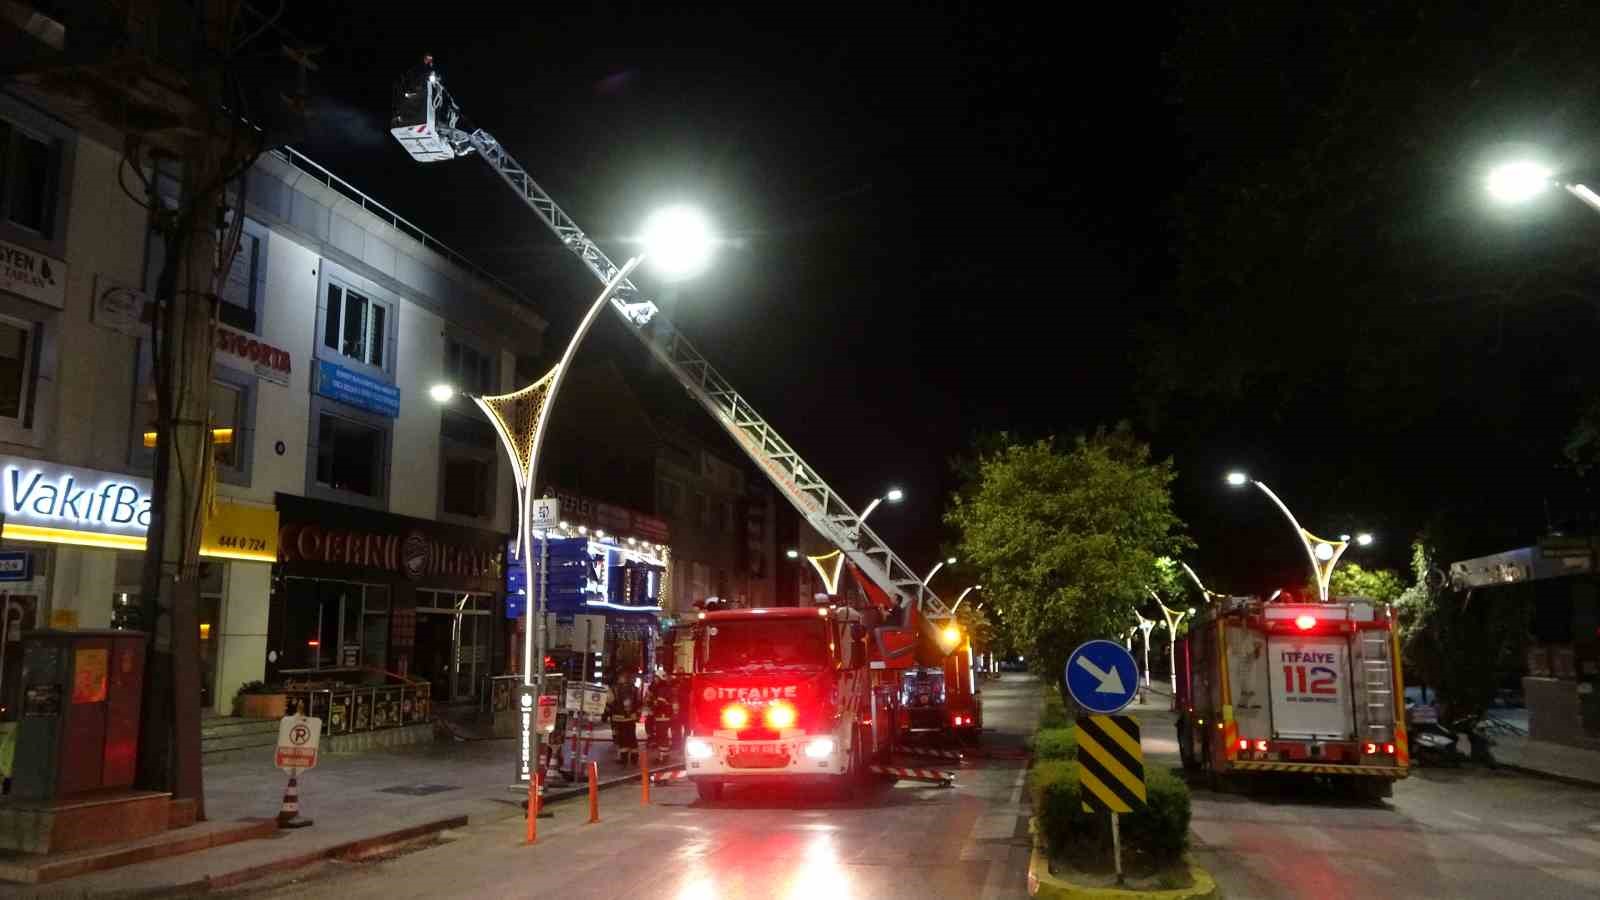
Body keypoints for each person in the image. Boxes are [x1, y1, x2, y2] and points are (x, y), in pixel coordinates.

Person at [605, 672, 641, 767]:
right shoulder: (635, 689)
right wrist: (636, 713)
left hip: (619, 717)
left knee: (622, 739)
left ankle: (624, 759)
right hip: (631, 717)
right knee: (632, 737)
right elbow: (639, 702)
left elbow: (610, 701)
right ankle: (634, 758)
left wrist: (607, 710)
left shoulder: (615, 689)